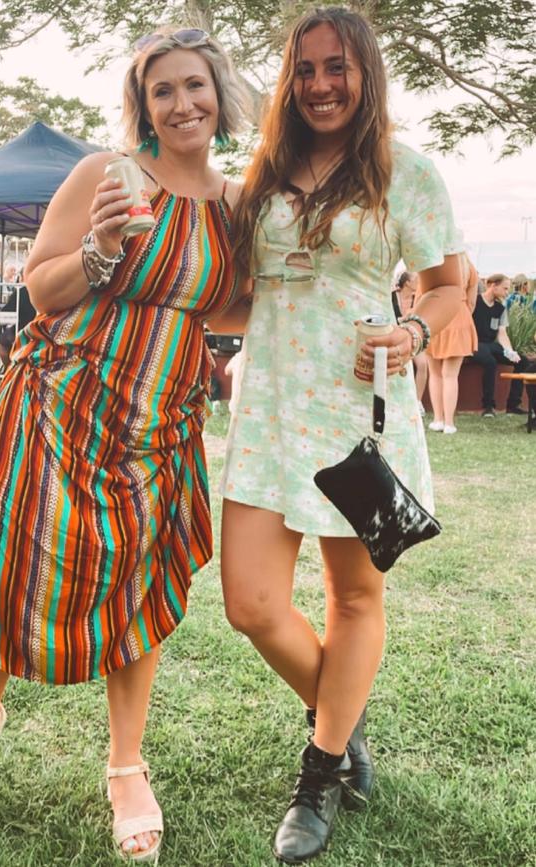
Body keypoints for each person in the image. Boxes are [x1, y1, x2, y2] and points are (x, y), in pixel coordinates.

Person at [0, 26, 247, 864]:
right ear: (142, 106)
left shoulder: (234, 203)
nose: (182, 103)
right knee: (13, 565)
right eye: (162, 91)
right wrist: (102, 250)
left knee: (135, 587)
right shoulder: (106, 175)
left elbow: (228, 306)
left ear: (220, 93)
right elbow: (40, 284)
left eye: (195, 85)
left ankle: (126, 766)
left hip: (162, 420)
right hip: (66, 404)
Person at [219, 8, 462, 863]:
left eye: (338, 68)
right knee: (249, 602)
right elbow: (233, 292)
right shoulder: (262, 174)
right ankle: (344, 716)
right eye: (307, 69)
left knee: (355, 598)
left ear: (366, 74)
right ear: (290, 79)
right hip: (269, 410)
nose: (321, 85)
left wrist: (414, 332)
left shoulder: (407, 172)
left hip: (361, 422)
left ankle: (322, 768)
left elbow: (446, 288)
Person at [422, 252, 478, 434]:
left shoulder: (432, 261)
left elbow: (421, 295)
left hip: (434, 317)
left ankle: (437, 419)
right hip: (460, 315)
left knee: (435, 373)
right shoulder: (469, 266)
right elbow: (471, 301)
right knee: (450, 375)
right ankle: (449, 422)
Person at [470, 273, 528, 417]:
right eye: (505, 288)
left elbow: (501, 333)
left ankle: (513, 405)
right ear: (493, 285)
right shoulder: (474, 302)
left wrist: (510, 351)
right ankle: (488, 406)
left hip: (490, 344)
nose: (507, 292)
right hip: (475, 344)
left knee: (523, 361)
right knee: (490, 362)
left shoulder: (500, 308)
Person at [392, 270, 428, 413]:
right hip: (393, 337)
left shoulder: (418, 299)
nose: (419, 282)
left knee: (423, 364)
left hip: (413, 336)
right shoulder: (391, 297)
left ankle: (417, 402)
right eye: (416, 279)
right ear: (407, 282)